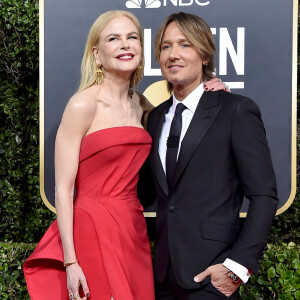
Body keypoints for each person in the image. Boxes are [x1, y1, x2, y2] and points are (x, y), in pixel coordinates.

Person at [23, 10, 226, 300]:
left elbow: (188, 120)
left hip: (133, 228)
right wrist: (71, 262)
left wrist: (213, 92)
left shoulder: (142, 105)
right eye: (113, 38)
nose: (125, 44)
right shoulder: (82, 105)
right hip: (91, 227)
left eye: (132, 37)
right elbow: (64, 190)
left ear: (141, 49)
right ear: (97, 53)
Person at [141, 12, 279, 299]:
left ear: (205, 55)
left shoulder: (236, 110)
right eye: (165, 46)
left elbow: (264, 195)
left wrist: (237, 267)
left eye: (185, 44)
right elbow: (151, 193)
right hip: (162, 276)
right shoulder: (155, 118)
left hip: (212, 277)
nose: (173, 54)